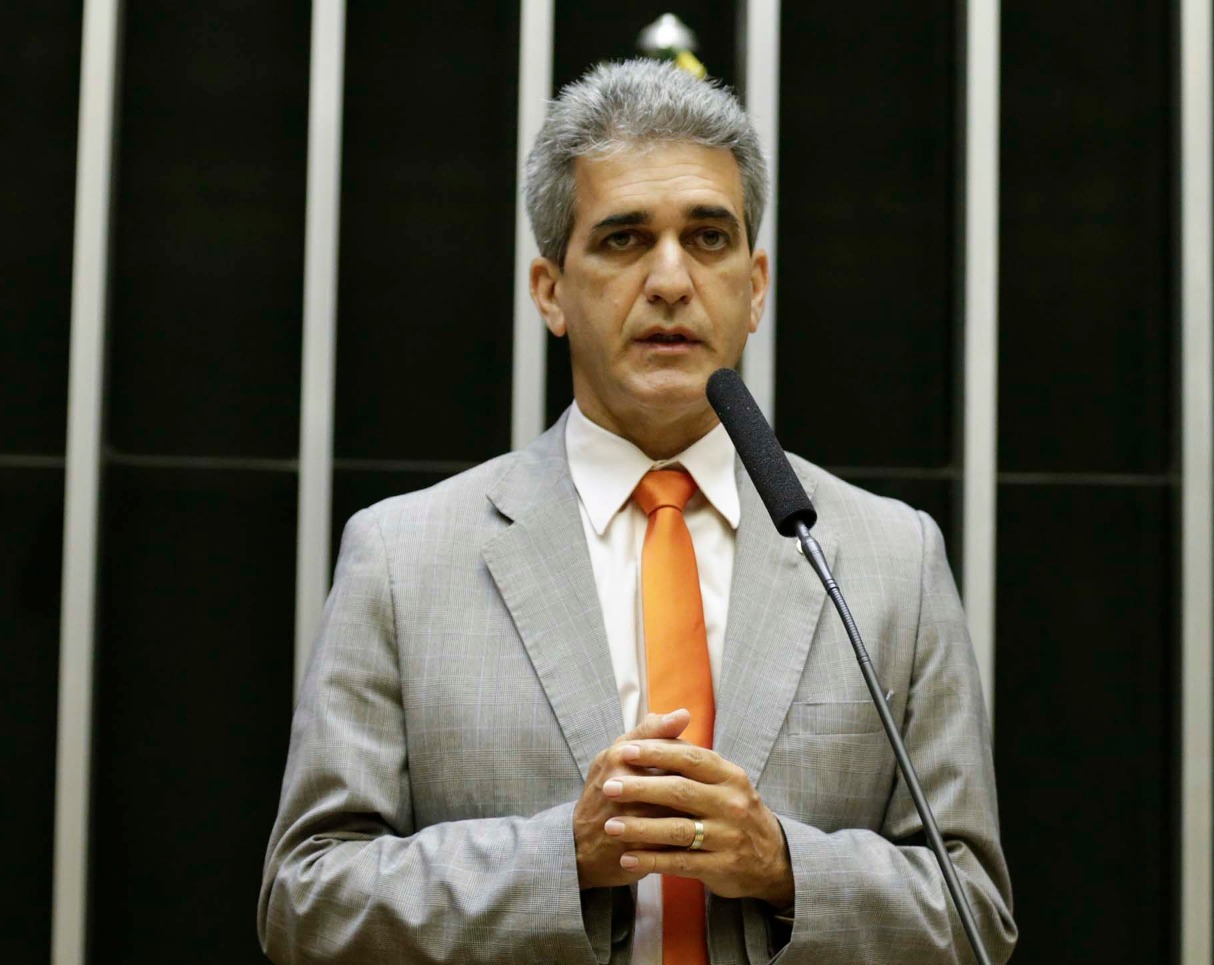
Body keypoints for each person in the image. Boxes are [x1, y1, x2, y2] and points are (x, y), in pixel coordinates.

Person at [258, 58, 1015, 964]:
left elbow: (975, 913)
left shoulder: (891, 557)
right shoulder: (401, 556)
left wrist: (782, 864)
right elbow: (306, 899)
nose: (670, 278)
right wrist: (561, 858)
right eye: (623, 239)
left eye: (708, 237)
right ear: (550, 291)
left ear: (756, 285)